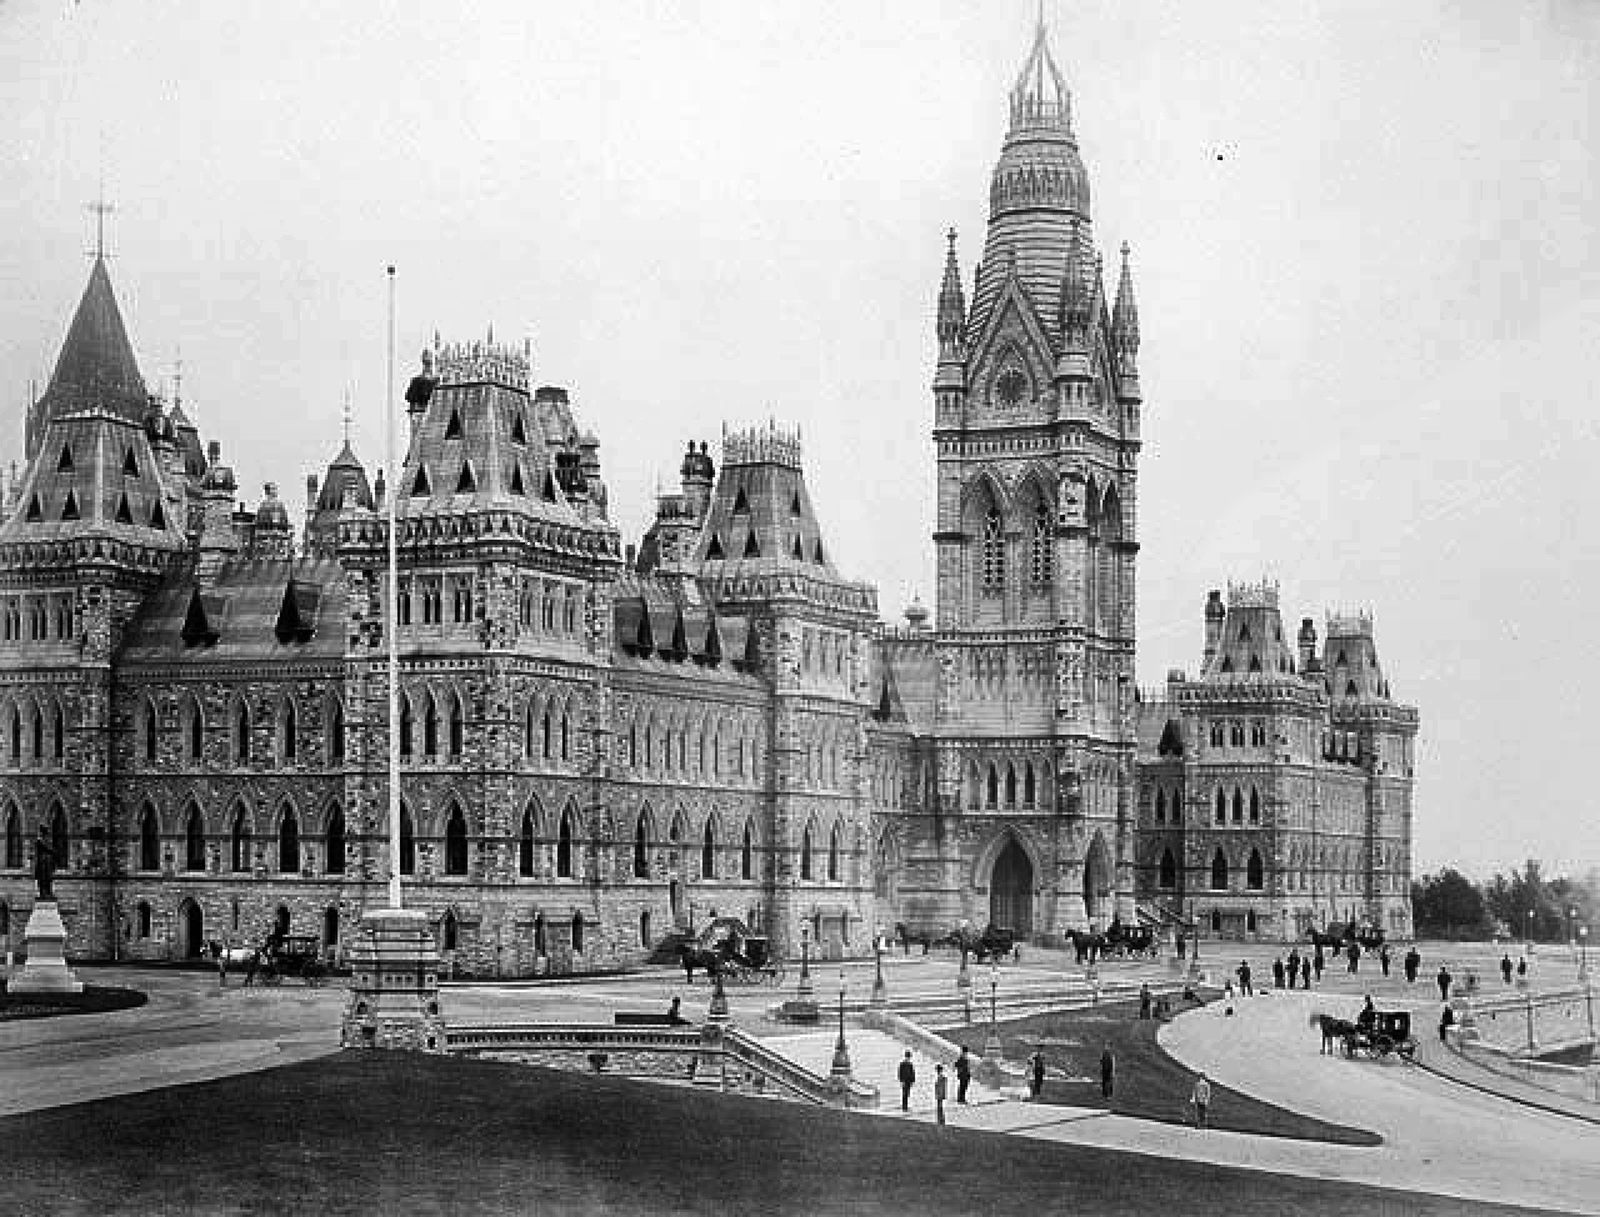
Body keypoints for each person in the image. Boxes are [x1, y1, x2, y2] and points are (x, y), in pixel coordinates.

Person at [32, 824, 56, 901]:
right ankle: (43, 893)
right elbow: (48, 850)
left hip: (46, 864)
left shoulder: (45, 841)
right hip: (42, 864)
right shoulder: (39, 841)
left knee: (47, 879)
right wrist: (52, 851)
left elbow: (50, 850)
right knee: (43, 879)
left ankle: (47, 892)